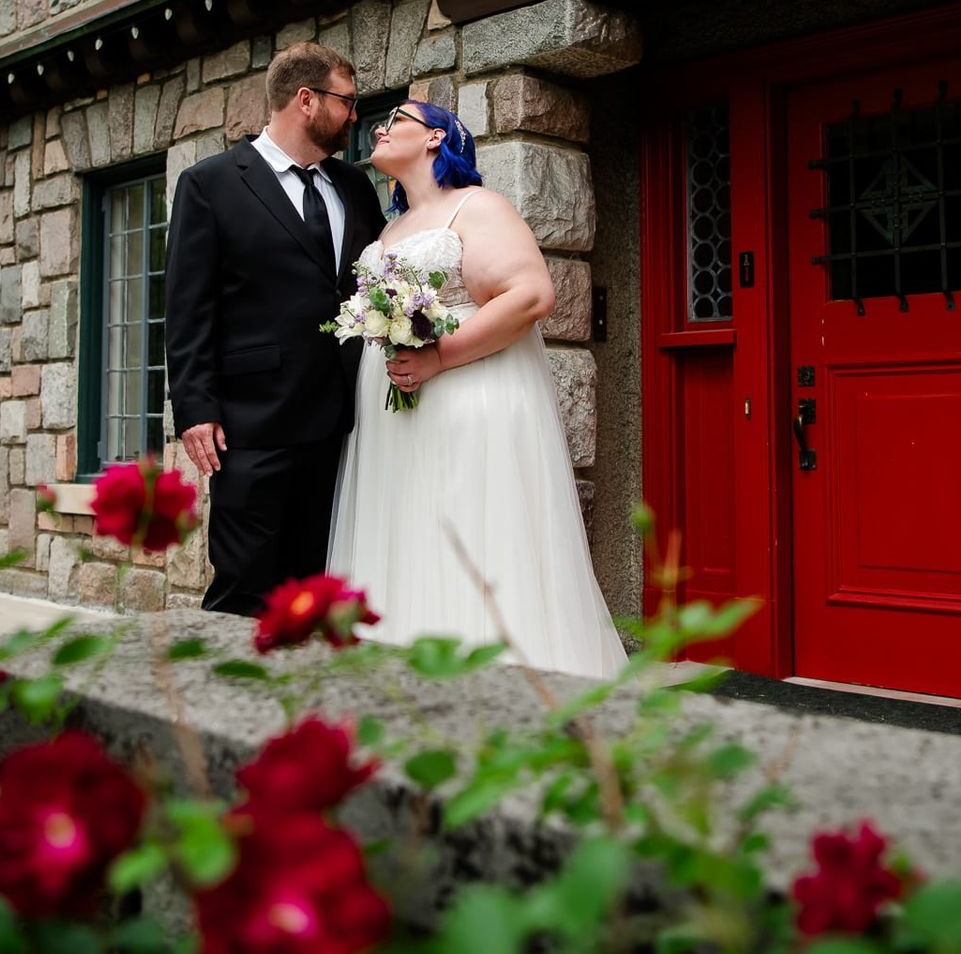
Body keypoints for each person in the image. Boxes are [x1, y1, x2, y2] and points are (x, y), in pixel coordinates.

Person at [326, 101, 628, 678]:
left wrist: (438, 356)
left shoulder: (477, 206)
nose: (380, 129)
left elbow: (531, 295)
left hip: (461, 401)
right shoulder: (391, 227)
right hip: (395, 419)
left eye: (397, 120)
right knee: (407, 541)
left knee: (462, 533)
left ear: (437, 137)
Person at [164, 43, 387, 616]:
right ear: (306, 100)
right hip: (251, 424)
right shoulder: (209, 184)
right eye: (347, 101)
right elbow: (189, 308)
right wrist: (194, 408)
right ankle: (227, 704)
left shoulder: (354, 187)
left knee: (316, 586)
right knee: (246, 586)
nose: (354, 115)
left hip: (340, 424)